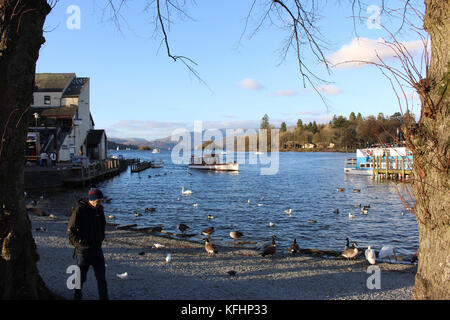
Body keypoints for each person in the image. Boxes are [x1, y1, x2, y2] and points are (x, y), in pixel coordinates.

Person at [67, 188, 108, 300]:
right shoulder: (79, 210)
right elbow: (71, 230)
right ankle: (77, 296)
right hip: (83, 250)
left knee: (101, 277)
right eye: (98, 200)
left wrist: (101, 237)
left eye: (100, 200)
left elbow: (102, 224)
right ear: (92, 200)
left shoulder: (99, 209)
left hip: (97, 248)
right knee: (80, 277)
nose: (100, 202)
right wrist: (79, 243)